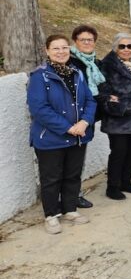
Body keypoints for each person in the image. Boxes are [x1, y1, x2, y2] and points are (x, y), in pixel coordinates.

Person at [28, 35, 97, 234]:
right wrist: (68, 127)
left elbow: (90, 101)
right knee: (51, 178)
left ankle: (70, 209)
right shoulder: (39, 76)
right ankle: (51, 215)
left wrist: (84, 122)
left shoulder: (76, 73)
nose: (61, 52)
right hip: (51, 138)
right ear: (47, 51)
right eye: (56, 48)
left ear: (70, 49)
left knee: (73, 175)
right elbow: (39, 108)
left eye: (64, 48)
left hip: (78, 135)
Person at [100, 33, 131, 200]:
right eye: (122, 46)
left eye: (130, 46)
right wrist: (113, 102)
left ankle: (126, 182)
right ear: (115, 48)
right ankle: (112, 187)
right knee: (118, 152)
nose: (126, 49)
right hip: (118, 117)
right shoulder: (107, 64)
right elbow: (102, 88)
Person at [68, 24, 105, 209]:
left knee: (77, 161)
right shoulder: (70, 62)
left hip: (87, 118)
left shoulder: (94, 63)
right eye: (83, 40)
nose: (87, 43)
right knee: (66, 162)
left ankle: (74, 194)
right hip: (72, 119)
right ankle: (67, 197)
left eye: (90, 40)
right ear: (75, 41)